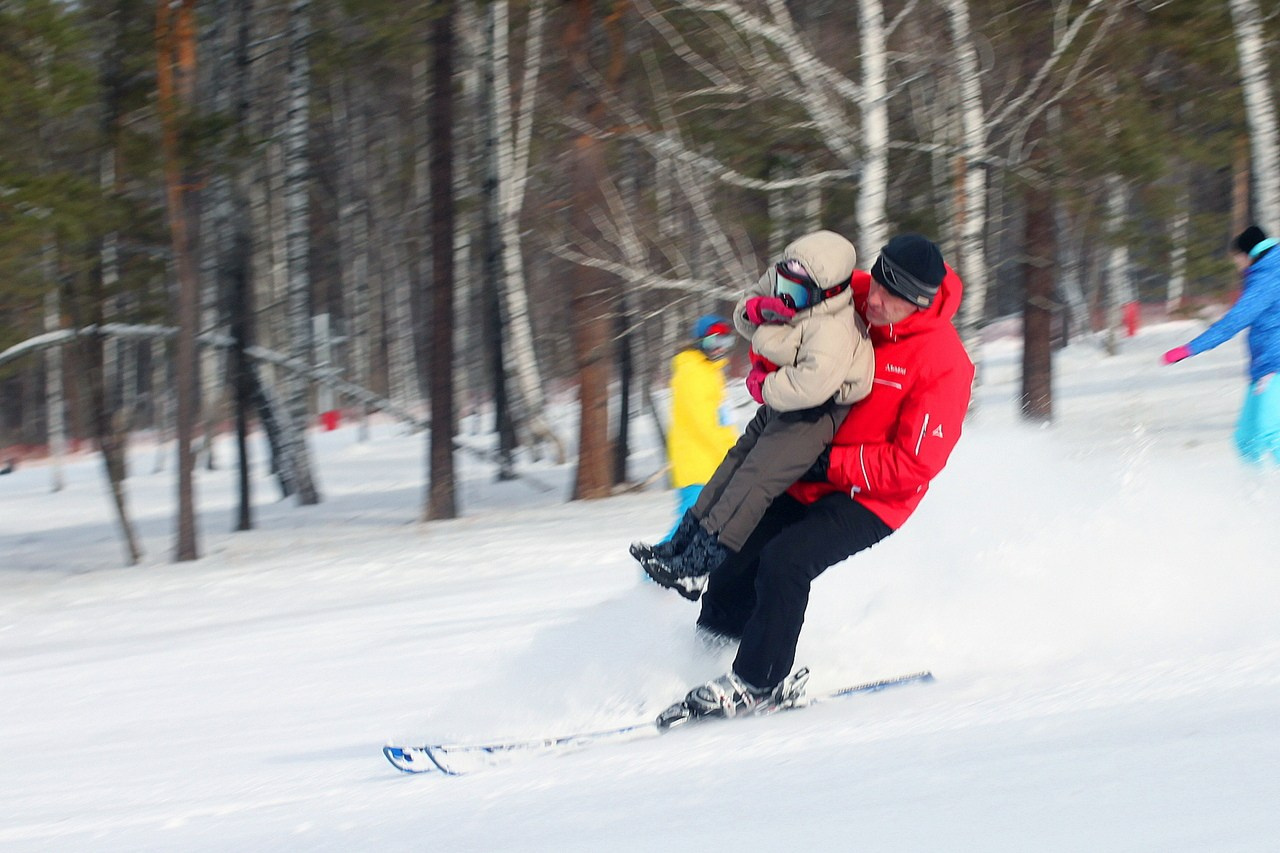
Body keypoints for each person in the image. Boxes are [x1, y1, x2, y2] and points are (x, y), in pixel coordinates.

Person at [659, 233, 974, 721]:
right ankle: (706, 656)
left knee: (786, 561)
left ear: (921, 303)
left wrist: (831, 463)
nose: (877, 301)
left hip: (872, 498)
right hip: (807, 470)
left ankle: (760, 681)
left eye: (894, 298)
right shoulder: (849, 293)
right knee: (737, 549)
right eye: (879, 284)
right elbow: (785, 335)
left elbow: (914, 464)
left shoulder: (944, 363)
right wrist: (763, 367)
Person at [631, 230, 874, 585]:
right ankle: (683, 543)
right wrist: (755, 309)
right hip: (783, 398)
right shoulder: (791, 277)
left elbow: (812, 385)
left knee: (754, 479)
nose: (786, 297)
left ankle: (700, 563)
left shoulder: (835, 328)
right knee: (734, 464)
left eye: (796, 293)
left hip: (815, 412)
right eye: (783, 285)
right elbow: (748, 308)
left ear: (827, 291)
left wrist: (765, 385)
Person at [1162, 225, 1280, 466]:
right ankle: (1254, 488)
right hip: (1264, 368)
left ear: (1248, 254)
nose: (1236, 264)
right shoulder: (1268, 271)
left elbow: (1234, 322)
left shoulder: (1267, 278)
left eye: (1236, 258)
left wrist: (1191, 348)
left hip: (1275, 367)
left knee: (1271, 433)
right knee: (1246, 440)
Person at [659, 315, 740, 542]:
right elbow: (703, 423)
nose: (719, 348)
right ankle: (658, 559)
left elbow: (722, 419)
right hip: (696, 462)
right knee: (691, 521)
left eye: (725, 342)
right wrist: (732, 453)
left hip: (711, 461)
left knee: (704, 521)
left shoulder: (711, 373)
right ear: (699, 342)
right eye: (713, 342)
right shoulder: (692, 373)